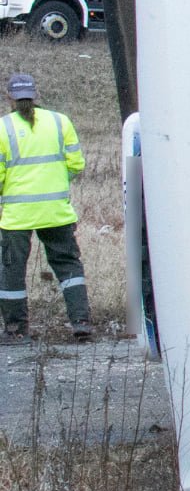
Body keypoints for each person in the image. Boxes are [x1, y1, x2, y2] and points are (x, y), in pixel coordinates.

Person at [0, 73, 90, 340]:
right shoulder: (60, 122)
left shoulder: (3, 128)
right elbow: (76, 164)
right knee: (68, 265)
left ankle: (16, 329)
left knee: (12, 270)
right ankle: (81, 322)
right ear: (36, 95)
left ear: (9, 98)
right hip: (56, 211)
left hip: (17, 216)